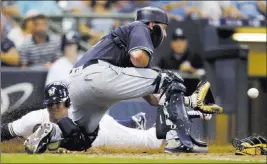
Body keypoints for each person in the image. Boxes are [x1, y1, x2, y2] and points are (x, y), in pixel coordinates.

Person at [26, 7, 223, 154]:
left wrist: (190, 106)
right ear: (152, 26)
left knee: (81, 139)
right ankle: (177, 141)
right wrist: (160, 76)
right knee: (172, 78)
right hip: (98, 74)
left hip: (78, 81)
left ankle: (50, 133)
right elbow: (139, 58)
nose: (164, 35)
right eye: (162, 29)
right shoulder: (139, 27)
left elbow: (155, 99)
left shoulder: (123, 47)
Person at [1, 82, 211, 152]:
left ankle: (186, 113)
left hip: (101, 132)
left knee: (150, 141)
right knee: (51, 130)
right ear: (46, 106)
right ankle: (133, 122)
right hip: (72, 136)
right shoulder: (32, 119)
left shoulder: (81, 109)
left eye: (61, 104)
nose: (57, 108)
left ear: (68, 103)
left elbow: (76, 136)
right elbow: (4, 131)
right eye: (53, 105)